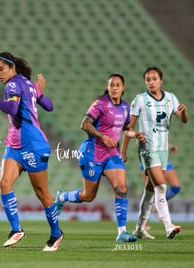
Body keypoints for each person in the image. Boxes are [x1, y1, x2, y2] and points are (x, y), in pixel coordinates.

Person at [0, 52, 63, 252]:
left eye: (1, 69)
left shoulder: (13, 85)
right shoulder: (27, 84)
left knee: (42, 193)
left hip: (32, 144)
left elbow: (12, 109)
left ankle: (56, 233)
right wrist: (37, 93)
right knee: (4, 183)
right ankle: (16, 230)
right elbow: (49, 106)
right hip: (15, 144)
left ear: (13, 68)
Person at [55, 73, 143, 242]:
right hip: (92, 153)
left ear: (123, 88)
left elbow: (126, 128)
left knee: (121, 188)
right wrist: (103, 137)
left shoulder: (125, 107)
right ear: (108, 87)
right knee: (88, 196)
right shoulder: (100, 104)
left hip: (112, 154)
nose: (115, 88)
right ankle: (62, 197)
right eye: (112, 85)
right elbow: (85, 124)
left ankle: (122, 232)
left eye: (118, 85)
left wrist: (134, 133)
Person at [122, 66, 188, 240]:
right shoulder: (140, 100)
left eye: (154, 79)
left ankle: (138, 228)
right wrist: (123, 151)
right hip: (147, 148)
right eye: (148, 79)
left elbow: (183, 120)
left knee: (150, 191)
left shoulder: (171, 98)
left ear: (161, 81)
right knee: (161, 186)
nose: (151, 82)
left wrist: (184, 112)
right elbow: (129, 127)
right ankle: (168, 226)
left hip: (163, 150)